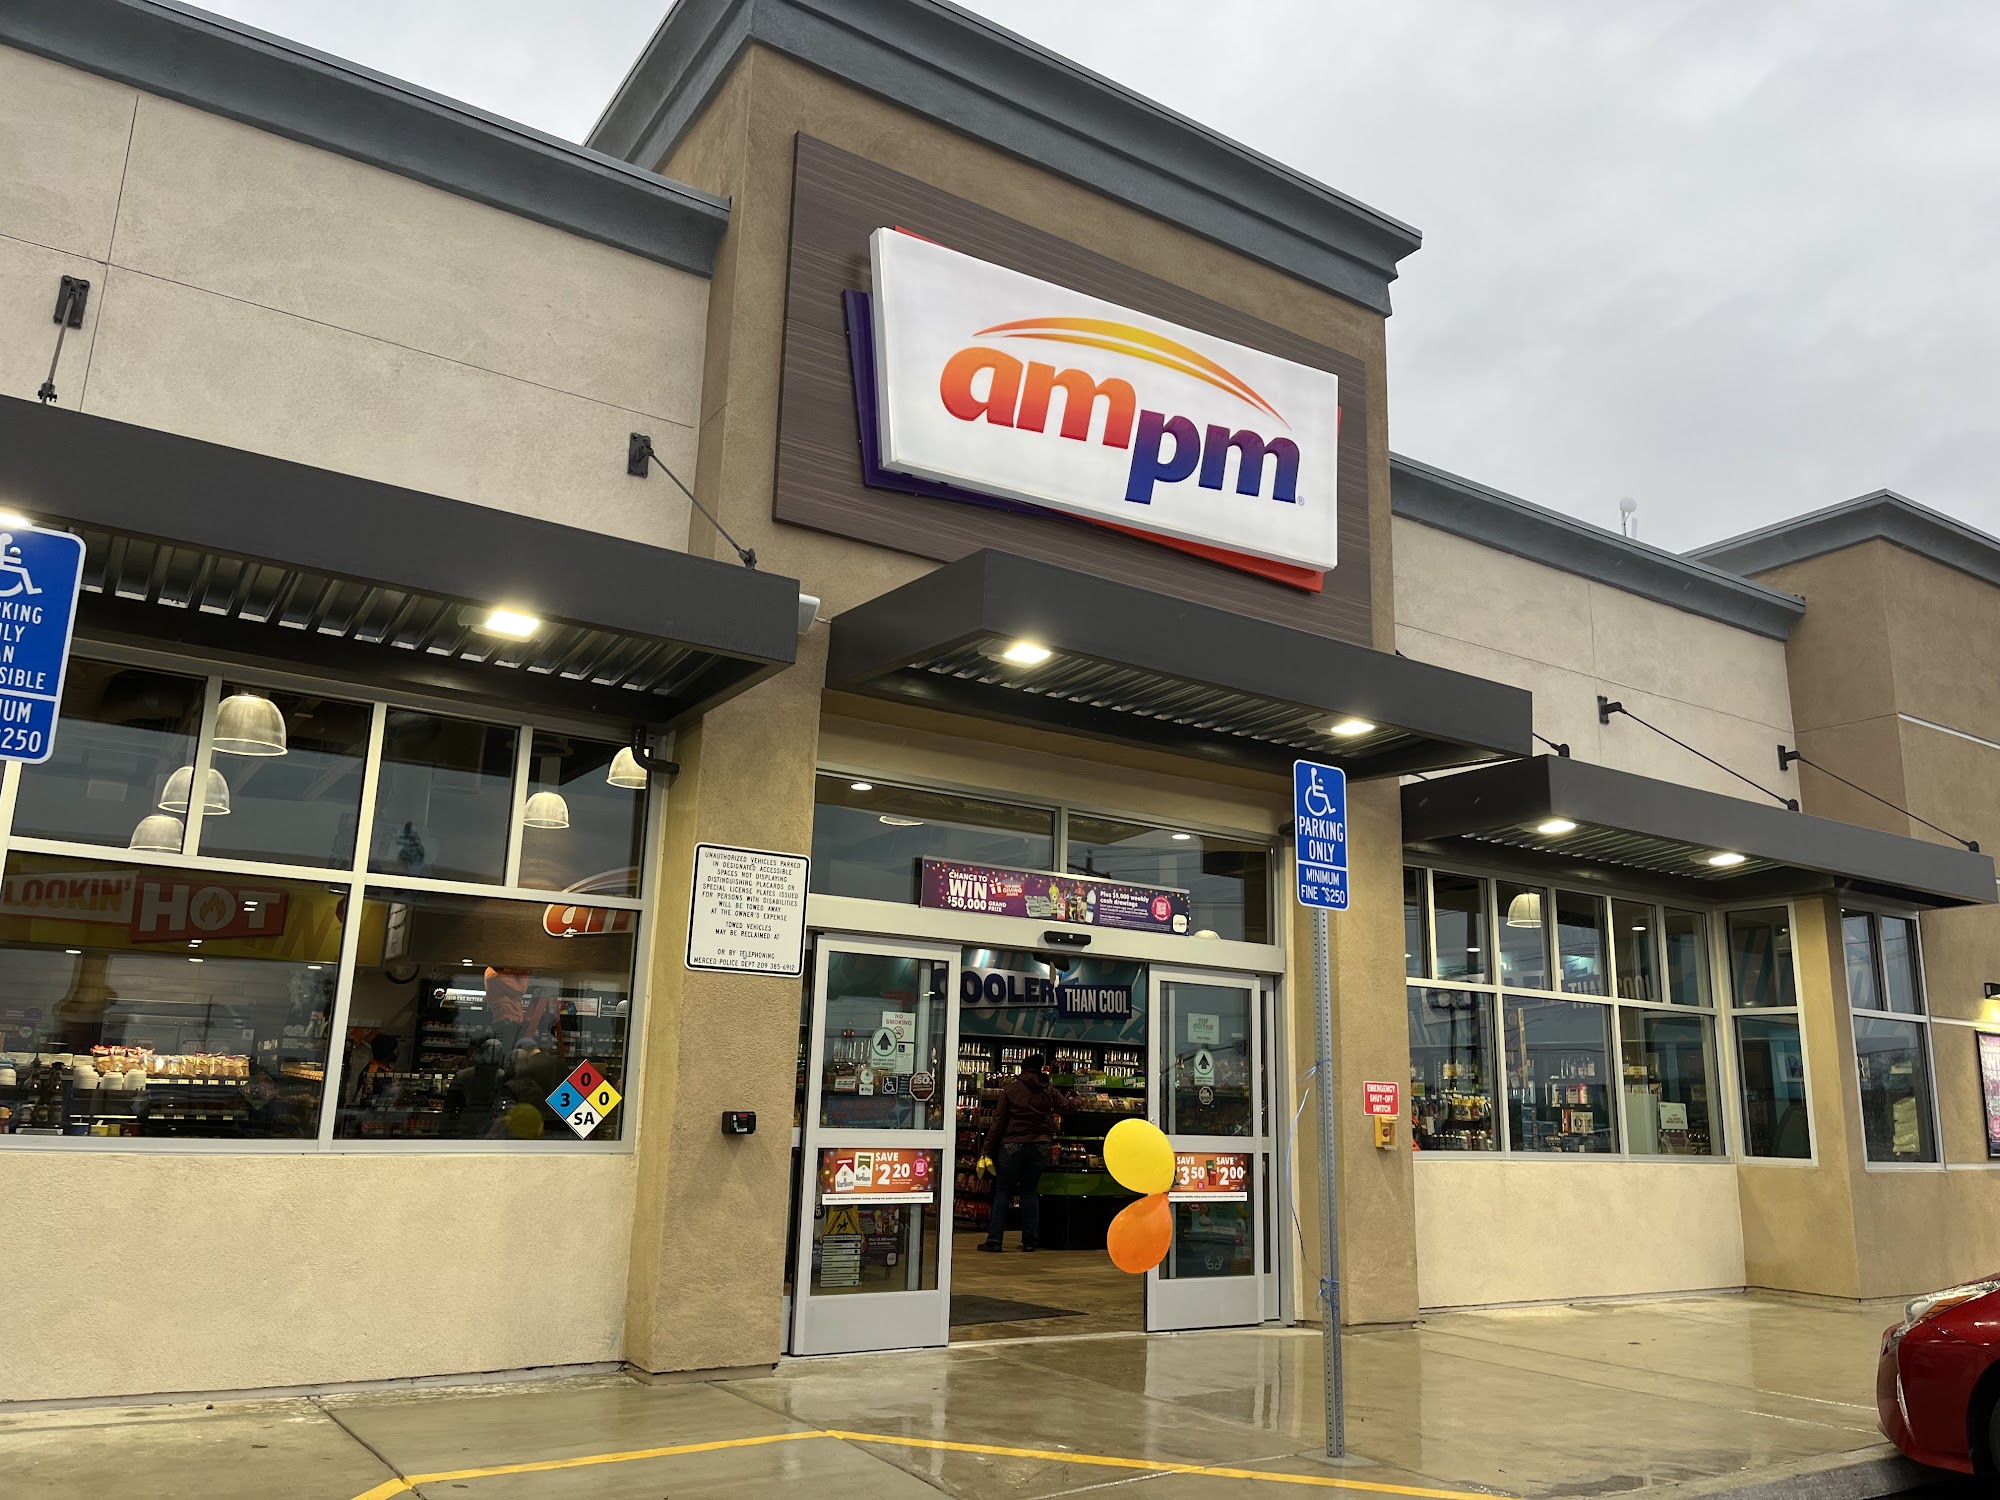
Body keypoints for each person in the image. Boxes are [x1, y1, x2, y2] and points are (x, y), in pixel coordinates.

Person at [978, 1053, 1078, 1253]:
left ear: (1022, 1069)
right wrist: (1078, 1099)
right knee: (1029, 1192)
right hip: (1040, 1145)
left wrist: (986, 1149)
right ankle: (1030, 1241)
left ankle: (995, 1240)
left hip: (1012, 1145)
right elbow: (1067, 1107)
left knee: (1003, 1192)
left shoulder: (1011, 1089)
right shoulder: (1048, 1090)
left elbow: (998, 1122)